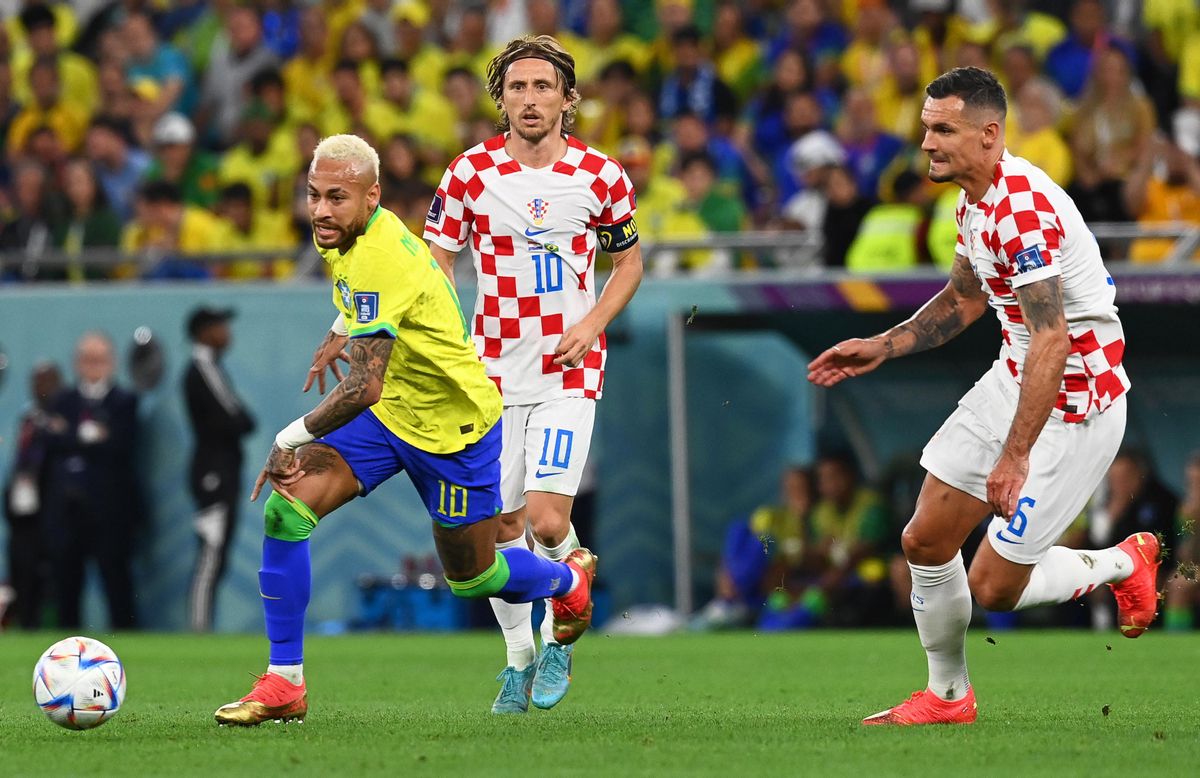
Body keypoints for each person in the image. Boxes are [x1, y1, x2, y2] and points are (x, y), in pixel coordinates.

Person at [807, 67, 1157, 726]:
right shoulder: (975, 201)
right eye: (926, 129)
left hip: (1077, 403)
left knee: (995, 586)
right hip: (1018, 377)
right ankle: (947, 697)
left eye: (943, 130)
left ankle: (1121, 560)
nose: (928, 144)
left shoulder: (1022, 208)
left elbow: (1053, 340)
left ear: (989, 135)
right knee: (927, 540)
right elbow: (967, 298)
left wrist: (1014, 457)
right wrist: (882, 345)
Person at [213, 134, 597, 726]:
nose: (319, 210)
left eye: (336, 197)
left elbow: (361, 384)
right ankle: (285, 680)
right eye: (313, 195)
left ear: (373, 196)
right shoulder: (349, 234)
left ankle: (565, 581)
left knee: (475, 579)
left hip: (454, 429)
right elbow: (380, 308)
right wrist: (344, 323)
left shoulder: (378, 253)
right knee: (286, 509)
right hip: (393, 415)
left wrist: (288, 438)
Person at [424, 35, 642, 714]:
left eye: (542, 87)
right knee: (497, 529)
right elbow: (438, 255)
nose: (529, 99)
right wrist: (449, 336)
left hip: (567, 370)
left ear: (567, 99)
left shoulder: (600, 175)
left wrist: (590, 325)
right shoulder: (469, 173)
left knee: (548, 522)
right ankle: (519, 657)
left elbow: (628, 264)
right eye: (516, 88)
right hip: (488, 373)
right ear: (501, 100)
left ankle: (560, 640)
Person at [43, 332, 140, 630]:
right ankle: (66, 648)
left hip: (110, 508)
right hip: (67, 507)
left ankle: (126, 644)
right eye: (87, 359)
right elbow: (51, 441)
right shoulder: (63, 399)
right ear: (77, 363)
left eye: (99, 359)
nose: (93, 365)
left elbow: (120, 445)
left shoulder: (124, 400)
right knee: (66, 583)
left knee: (116, 579)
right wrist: (90, 435)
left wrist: (70, 434)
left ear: (112, 362)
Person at [184, 306, 256, 632]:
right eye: (219, 326)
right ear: (203, 332)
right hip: (214, 473)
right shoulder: (202, 367)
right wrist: (240, 420)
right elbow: (234, 417)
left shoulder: (212, 367)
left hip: (220, 471)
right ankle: (199, 627)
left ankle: (203, 623)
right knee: (210, 556)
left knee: (217, 555)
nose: (226, 333)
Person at [3, 361, 62, 629]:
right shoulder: (28, 418)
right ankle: (25, 625)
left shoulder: (62, 419)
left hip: (53, 513)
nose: (42, 387)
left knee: (55, 580)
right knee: (22, 575)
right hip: (22, 515)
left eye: (48, 381)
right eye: (38, 381)